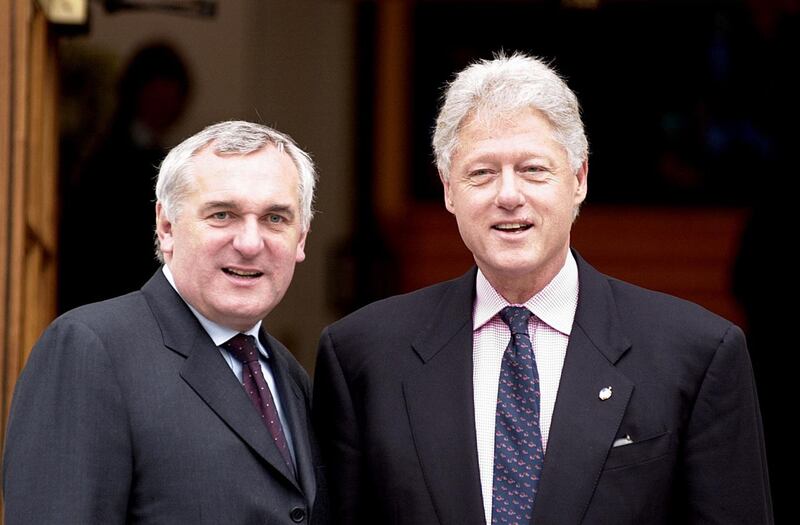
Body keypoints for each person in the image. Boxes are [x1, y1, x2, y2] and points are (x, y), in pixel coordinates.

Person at [312, 53, 772, 524]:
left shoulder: (696, 354)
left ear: (578, 180)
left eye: (533, 169)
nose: (508, 195)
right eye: (482, 172)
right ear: (449, 189)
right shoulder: (363, 355)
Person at [4, 121, 327, 524]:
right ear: (166, 226)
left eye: (275, 218)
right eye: (222, 214)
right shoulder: (91, 349)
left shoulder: (291, 378)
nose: (249, 242)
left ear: (301, 239)